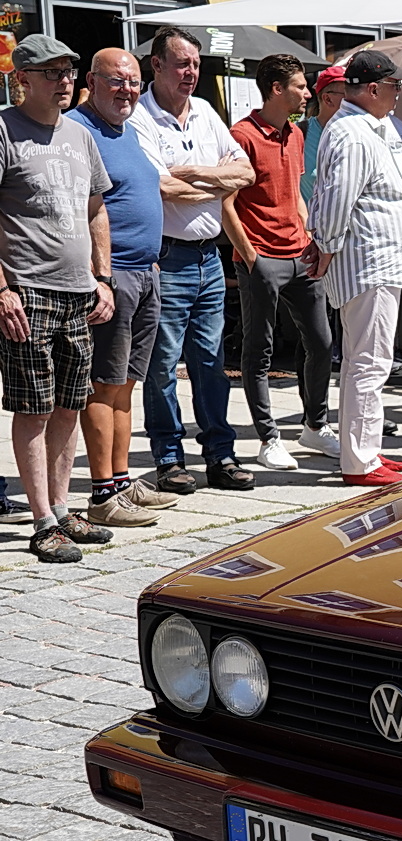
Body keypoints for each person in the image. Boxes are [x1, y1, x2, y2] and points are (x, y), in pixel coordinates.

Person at [0, 34, 117, 563]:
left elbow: (95, 209)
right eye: (52, 72)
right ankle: (42, 520)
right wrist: (2, 290)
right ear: (22, 78)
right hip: (27, 291)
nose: (64, 81)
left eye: (68, 71)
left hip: (77, 292)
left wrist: (103, 277)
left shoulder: (79, 134)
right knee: (34, 407)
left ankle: (64, 509)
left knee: (70, 403)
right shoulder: (5, 129)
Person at [134, 27, 256, 494]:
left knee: (211, 362)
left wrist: (195, 173)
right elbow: (160, 187)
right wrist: (216, 183)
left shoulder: (205, 111)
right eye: (183, 64)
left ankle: (220, 455)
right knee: (162, 364)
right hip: (168, 257)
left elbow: (245, 172)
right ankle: (168, 458)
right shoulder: (140, 117)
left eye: (196, 65)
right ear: (157, 65)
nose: (191, 73)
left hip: (209, 257)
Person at [67, 47, 179, 528]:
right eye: (116, 81)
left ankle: (120, 480)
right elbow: (80, 210)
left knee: (126, 385)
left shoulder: (129, 131)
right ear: (92, 82)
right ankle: (101, 495)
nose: (127, 90)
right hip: (111, 278)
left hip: (146, 273)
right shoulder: (76, 131)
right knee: (102, 385)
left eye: (133, 82)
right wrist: (99, 277)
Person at [308, 49, 402, 484]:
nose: (399, 92)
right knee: (369, 361)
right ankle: (360, 461)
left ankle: (365, 451)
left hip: (378, 260)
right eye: (395, 85)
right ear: (373, 89)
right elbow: (336, 197)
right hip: (369, 260)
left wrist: (324, 243)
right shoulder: (355, 133)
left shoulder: (370, 125)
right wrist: (324, 245)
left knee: (369, 359)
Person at [224, 54, 334, 473]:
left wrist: (311, 238)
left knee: (322, 342)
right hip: (262, 258)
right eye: (300, 86)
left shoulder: (295, 134)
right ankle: (268, 439)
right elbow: (226, 203)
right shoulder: (241, 136)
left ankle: (315, 426)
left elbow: (296, 194)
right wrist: (251, 257)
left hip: (300, 253)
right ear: (276, 89)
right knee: (259, 351)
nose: (307, 93)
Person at [300, 65, 345, 207]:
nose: (356, 100)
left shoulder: (362, 133)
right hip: (311, 220)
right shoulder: (299, 133)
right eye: (348, 94)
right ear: (327, 99)